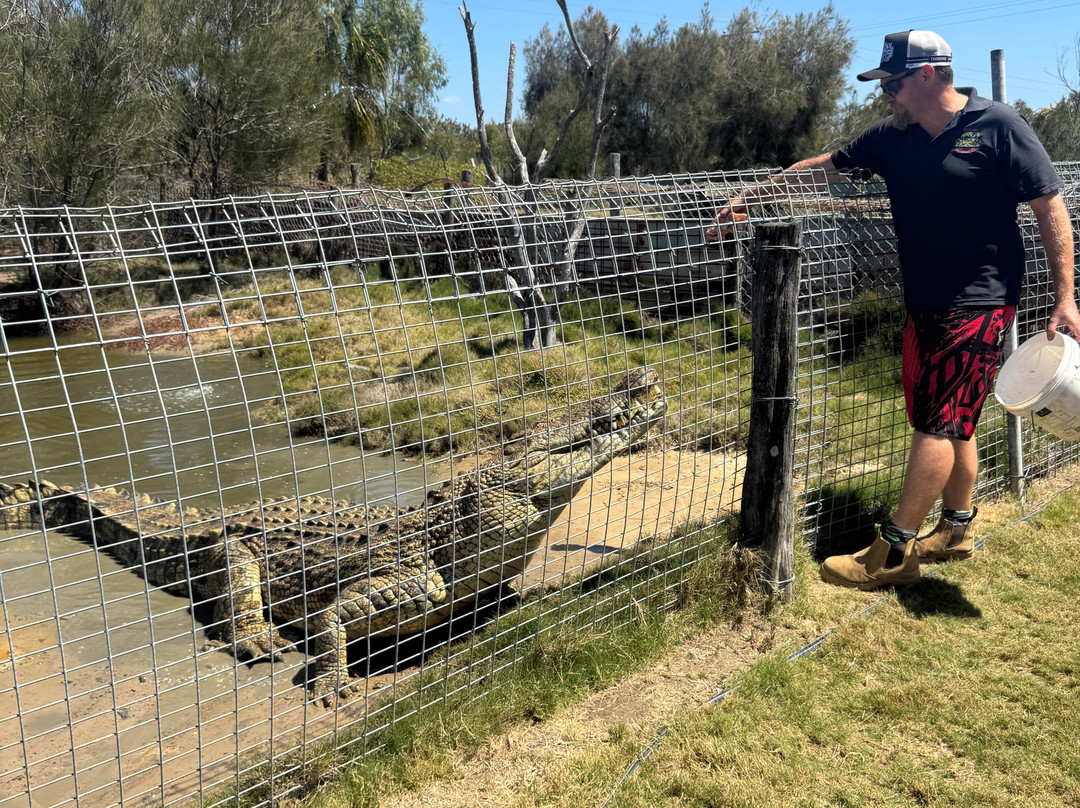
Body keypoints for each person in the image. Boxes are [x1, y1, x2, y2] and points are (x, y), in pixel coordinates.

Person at [709, 30, 1080, 590]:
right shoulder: (894, 137)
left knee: (936, 422)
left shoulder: (998, 127)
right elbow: (826, 167)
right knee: (952, 419)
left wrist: (1065, 295)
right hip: (924, 303)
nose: (887, 95)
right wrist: (751, 197)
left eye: (894, 83)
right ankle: (956, 530)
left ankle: (890, 552)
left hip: (981, 300)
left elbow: (1050, 207)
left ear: (929, 76)